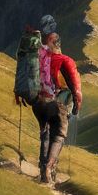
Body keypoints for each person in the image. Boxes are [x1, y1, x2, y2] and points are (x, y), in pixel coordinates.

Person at [15, 30, 82, 183]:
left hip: (38, 103)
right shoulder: (65, 60)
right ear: (59, 45)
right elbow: (75, 89)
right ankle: (48, 167)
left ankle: (41, 167)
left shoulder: (39, 58)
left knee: (45, 133)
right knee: (58, 136)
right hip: (57, 104)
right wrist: (77, 106)